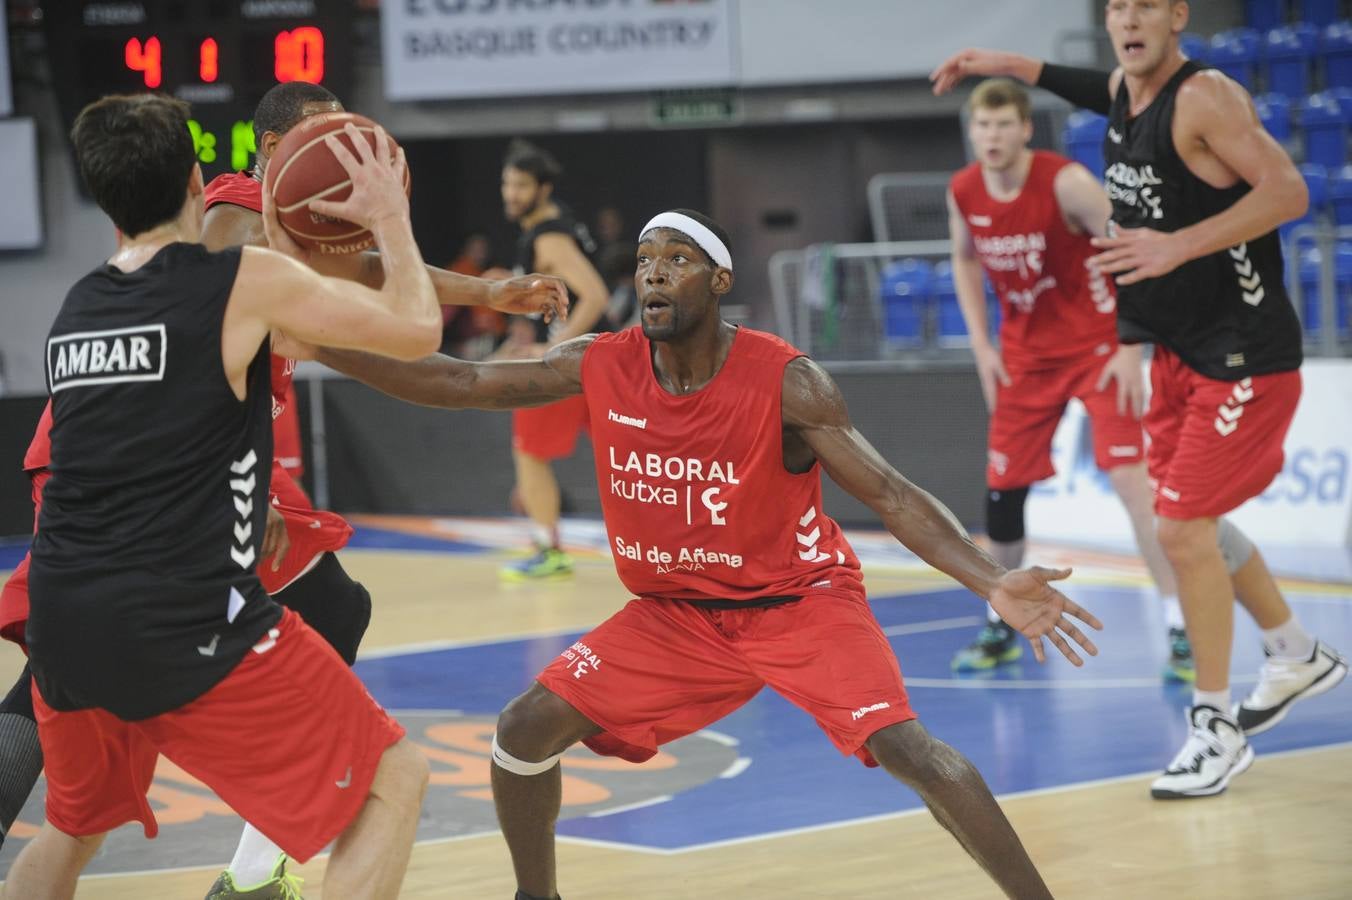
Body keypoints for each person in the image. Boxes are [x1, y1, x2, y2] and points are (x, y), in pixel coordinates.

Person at [318, 208, 1104, 900]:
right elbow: (458, 381)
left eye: (676, 259)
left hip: (799, 602)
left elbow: (893, 495)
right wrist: (312, 338)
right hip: (675, 619)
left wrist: (991, 579)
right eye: (645, 262)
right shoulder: (602, 360)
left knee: (910, 749)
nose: (653, 272)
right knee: (522, 730)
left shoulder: (787, 381)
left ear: (720, 279)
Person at [0, 81, 568, 900]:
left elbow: (371, 297)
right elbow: (401, 321)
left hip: (80, 566)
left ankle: (256, 866)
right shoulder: (237, 254)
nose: (340, 159)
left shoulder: (81, 304)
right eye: (322, 143)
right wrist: (387, 210)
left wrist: (481, 291)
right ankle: (258, 873)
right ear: (219, 175)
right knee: (392, 775)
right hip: (164, 584)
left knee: (72, 824)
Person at [930, 0, 1347, 799]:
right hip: (1180, 352)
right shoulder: (1125, 89)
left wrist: (1175, 245)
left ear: (1177, 16)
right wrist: (1006, 64)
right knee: (1195, 523)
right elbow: (1081, 82)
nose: (1128, 17)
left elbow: (1291, 192)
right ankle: (1295, 653)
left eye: (1145, 5)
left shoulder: (1205, 98)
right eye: (1117, 5)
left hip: (1245, 355)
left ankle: (1214, 725)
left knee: (1180, 528)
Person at [946, 77, 1189, 680]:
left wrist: (1133, 343)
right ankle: (1001, 622)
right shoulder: (963, 190)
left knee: (1134, 485)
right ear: (973, 133)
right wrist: (982, 345)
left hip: (1098, 347)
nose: (993, 136)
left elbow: (1131, 250)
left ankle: (1181, 626)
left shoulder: (1066, 183)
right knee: (1002, 494)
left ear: (1025, 129)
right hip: (1025, 358)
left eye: (1004, 125)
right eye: (983, 126)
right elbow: (964, 259)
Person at [494, 139, 613, 582]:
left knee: (529, 452)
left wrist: (552, 347)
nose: (511, 194)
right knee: (627, 454)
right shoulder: (551, 229)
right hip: (600, 361)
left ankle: (548, 549)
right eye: (506, 184)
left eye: (521, 185)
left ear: (542, 189)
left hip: (573, 365)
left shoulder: (549, 237)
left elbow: (595, 295)